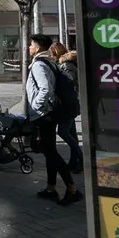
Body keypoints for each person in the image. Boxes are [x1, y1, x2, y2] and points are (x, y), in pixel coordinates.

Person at [26, 34, 82, 206]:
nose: (29, 48)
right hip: (50, 113)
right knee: (49, 152)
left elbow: (45, 89)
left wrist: (36, 106)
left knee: (50, 152)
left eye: (31, 44)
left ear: (38, 47)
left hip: (44, 114)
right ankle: (51, 188)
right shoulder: (49, 62)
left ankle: (72, 189)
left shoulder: (38, 65)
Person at [49, 42, 83, 173]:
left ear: (55, 52)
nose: (50, 54)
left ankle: (81, 157)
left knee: (62, 132)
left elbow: (69, 83)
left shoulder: (66, 65)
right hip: (69, 102)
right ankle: (74, 162)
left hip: (68, 103)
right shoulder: (64, 64)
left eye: (51, 51)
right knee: (72, 133)